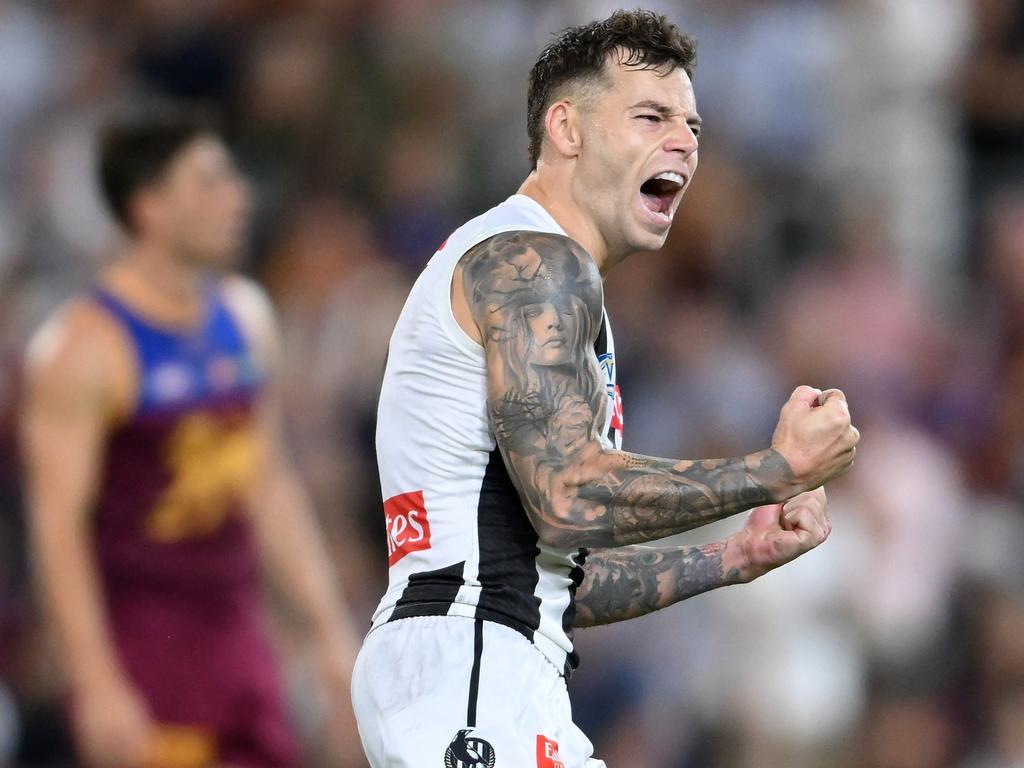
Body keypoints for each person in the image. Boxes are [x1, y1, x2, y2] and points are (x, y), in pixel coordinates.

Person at [352, 9, 860, 768]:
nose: (684, 142)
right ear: (567, 128)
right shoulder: (533, 262)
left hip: (483, 660)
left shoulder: (549, 277)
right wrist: (774, 471)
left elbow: (552, 576)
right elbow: (569, 500)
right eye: (650, 116)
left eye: (692, 123)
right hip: (471, 669)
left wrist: (736, 557)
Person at [19, 109, 360, 768]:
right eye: (208, 183)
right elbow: (56, 530)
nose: (237, 198)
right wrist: (95, 683)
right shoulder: (83, 349)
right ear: (148, 208)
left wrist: (328, 631)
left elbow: (270, 485)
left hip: (239, 645)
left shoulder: (245, 317)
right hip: (144, 652)